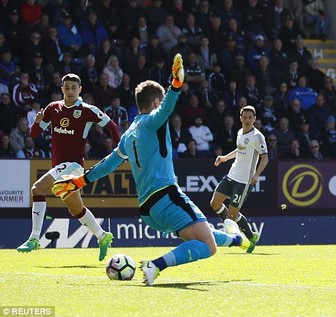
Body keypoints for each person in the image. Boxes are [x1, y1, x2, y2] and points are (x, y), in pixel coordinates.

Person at [52, 54, 250, 286]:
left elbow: (108, 164)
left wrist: (78, 182)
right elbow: (167, 108)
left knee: (200, 231)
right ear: (155, 103)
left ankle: (240, 240)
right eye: (161, 101)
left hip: (148, 210)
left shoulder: (128, 134)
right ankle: (155, 265)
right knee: (208, 246)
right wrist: (175, 86)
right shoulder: (152, 121)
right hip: (166, 196)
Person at [17, 73, 120, 262]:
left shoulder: (87, 110)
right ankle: (103, 236)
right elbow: (34, 133)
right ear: (62, 89)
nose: (70, 91)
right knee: (76, 209)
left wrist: (119, 152)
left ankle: (34, 238)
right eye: (67, 87)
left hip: (73, 166)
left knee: (37, 189)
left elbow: (112, 127)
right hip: (59, 165)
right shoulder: (53, 108)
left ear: (80, 89)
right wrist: (38, 120)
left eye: (74, 87)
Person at [210, 105, 269, 253]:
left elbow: (265, 158)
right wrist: (225, 158)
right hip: (232, 175)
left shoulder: (257, 136)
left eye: (250, 117)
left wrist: (256, 174)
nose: (247, 120)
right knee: (214, 203)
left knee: (232, 216)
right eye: (245, 117)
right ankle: (251, 235)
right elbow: (240, 149)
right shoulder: (239, 132)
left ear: (254, 119)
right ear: (241, 118)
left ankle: (247, 241)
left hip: (244, 181)